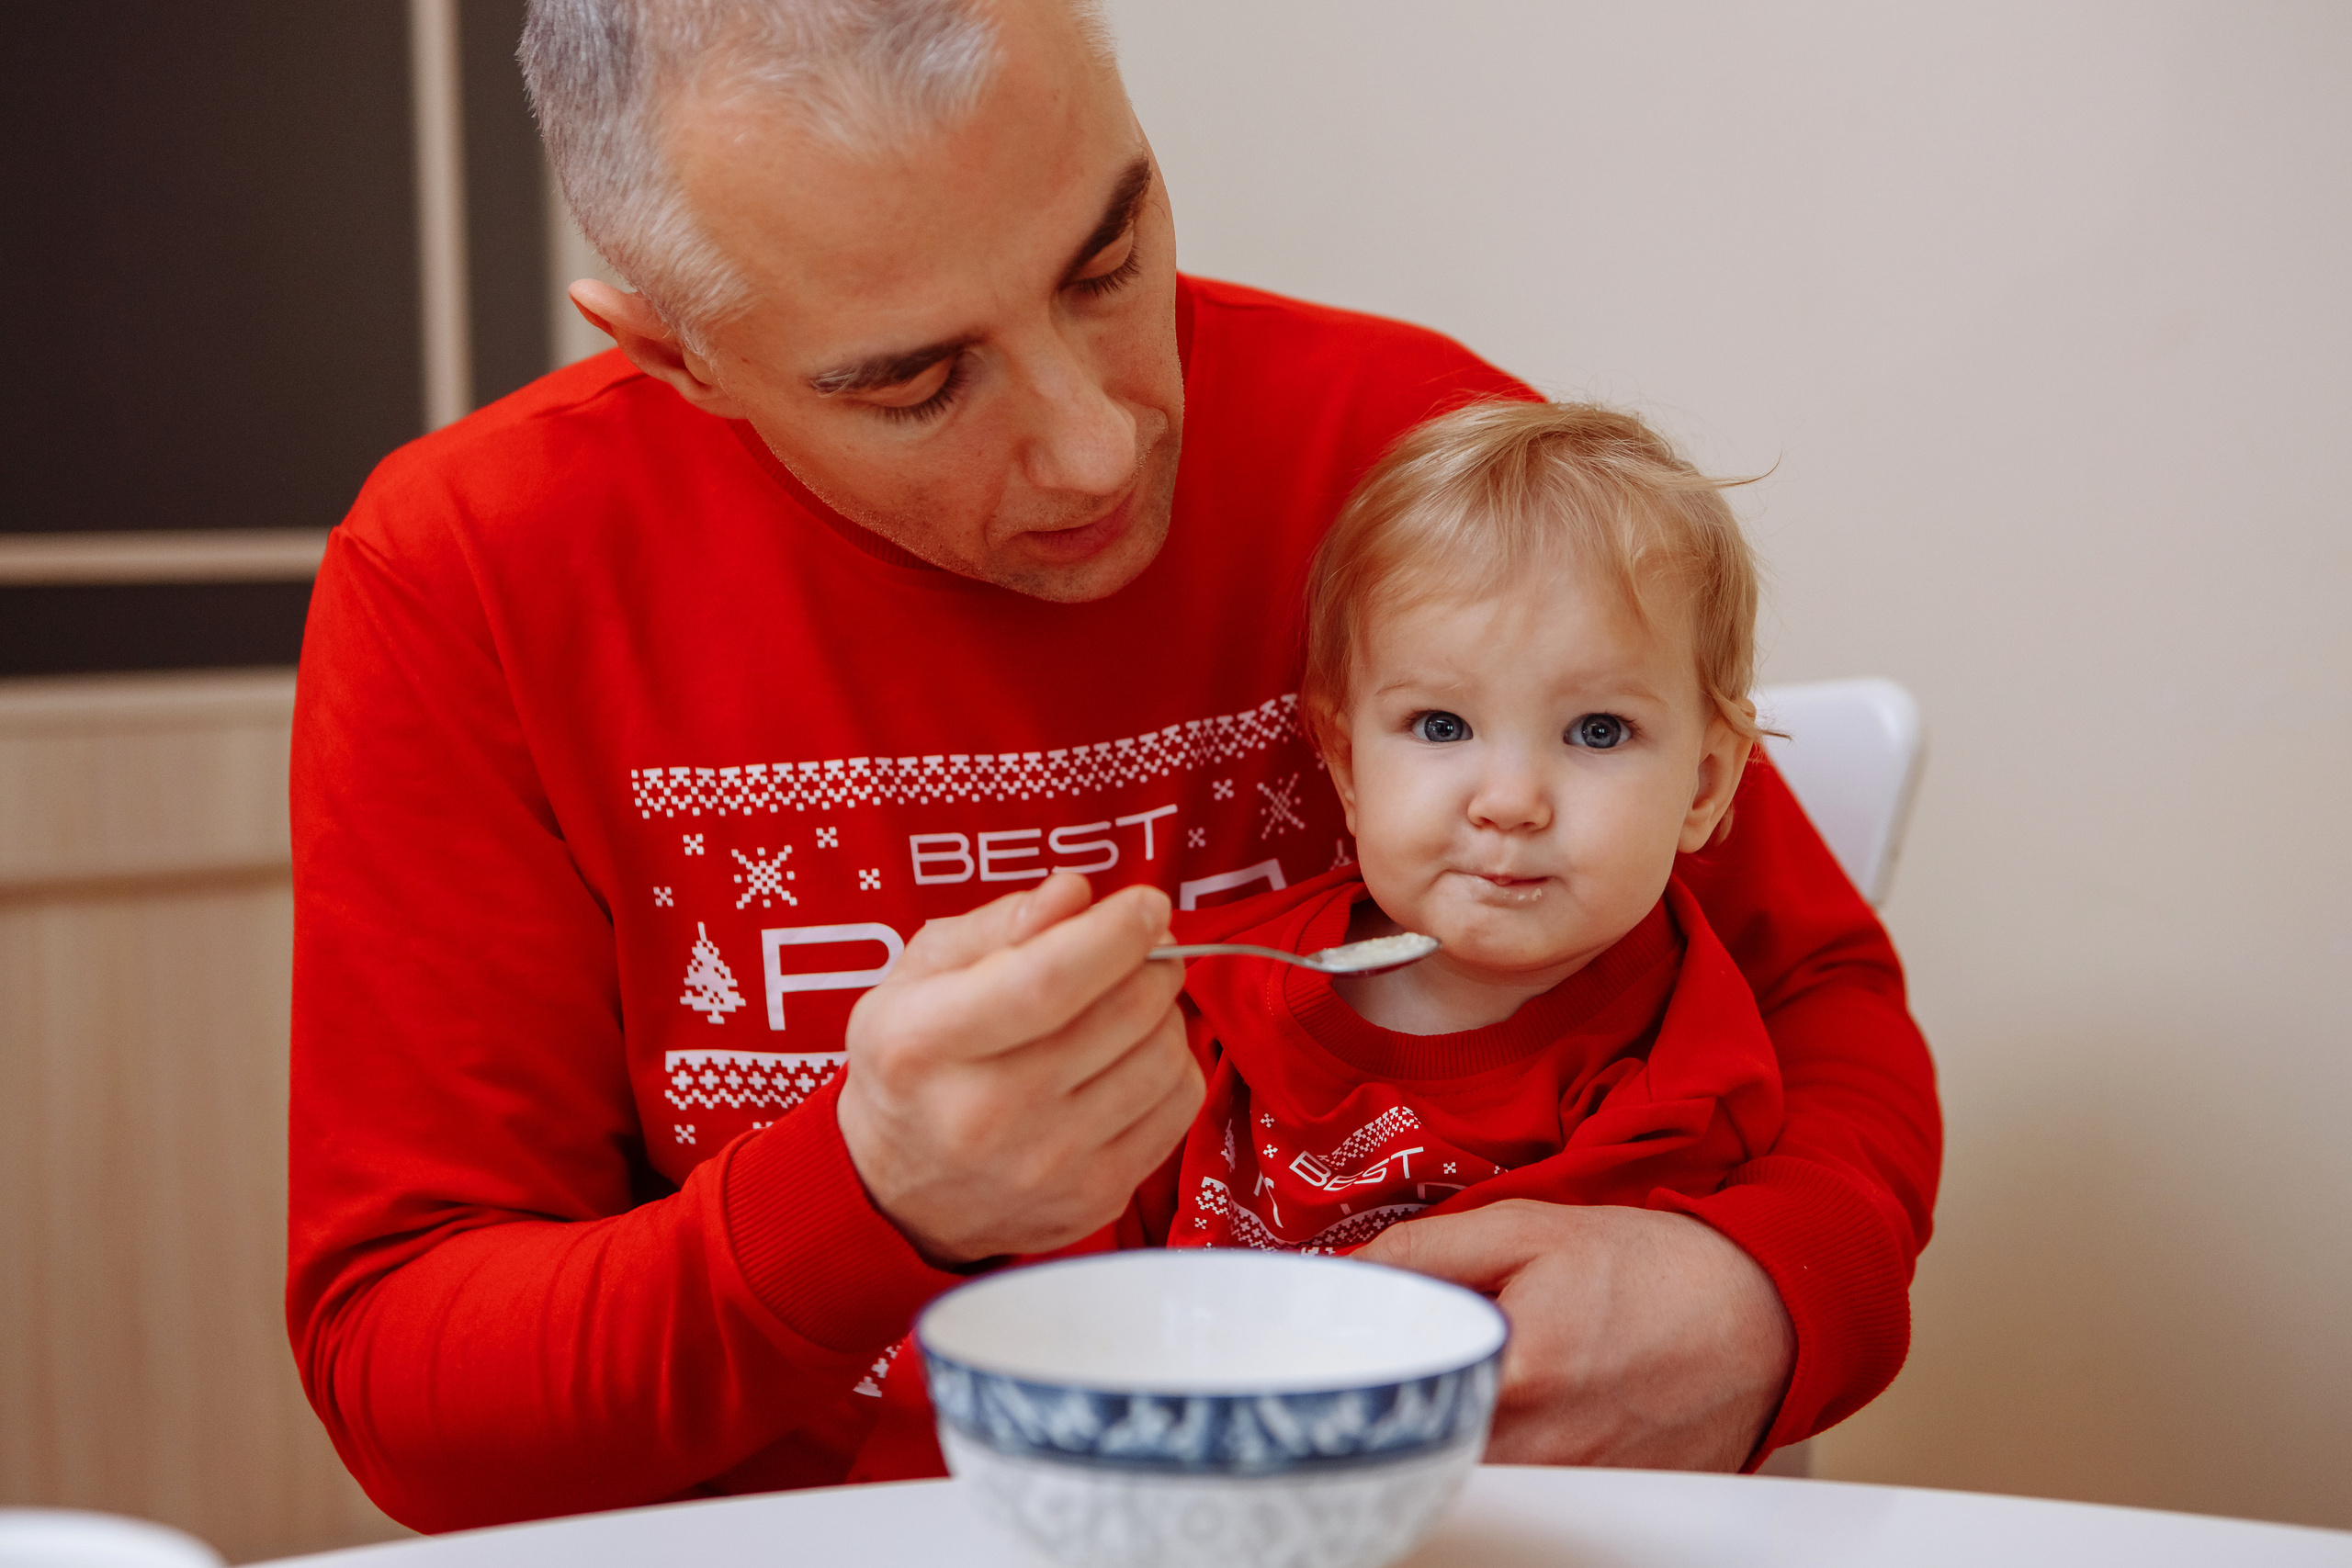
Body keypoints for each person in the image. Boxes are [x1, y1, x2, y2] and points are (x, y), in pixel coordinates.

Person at [286, 0, 1939, 1533]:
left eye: (1108, 256)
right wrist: (868, 1200)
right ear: (674, 353)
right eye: (917, 381)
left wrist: (1774, 1287)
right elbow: (407, 1380)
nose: (1098, 443)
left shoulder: (1415, 462)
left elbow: (1819, 989)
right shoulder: (471, 579)